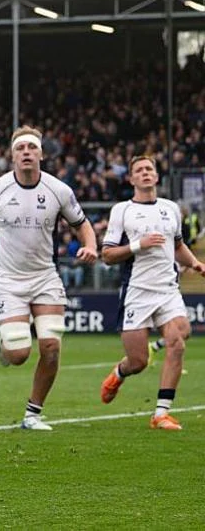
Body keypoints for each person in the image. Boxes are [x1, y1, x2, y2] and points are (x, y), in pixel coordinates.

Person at [0, 126, 98, 431]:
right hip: (9, 279)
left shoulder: (59, 190)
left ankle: (33, 414)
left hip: (45, 277)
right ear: (12, 155)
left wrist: (90, 245)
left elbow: (83, 224)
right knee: (19, 354)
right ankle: (5, 345)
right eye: (20, 148)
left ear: (41, 154)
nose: (26, 153)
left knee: (51, 347)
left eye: (32, 148)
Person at [98, 154, 205, 430]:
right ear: (132, 179)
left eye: (149, 169)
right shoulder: (122, 210)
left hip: (167, 290)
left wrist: (194, 262)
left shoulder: (171, 208)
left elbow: (177, 245)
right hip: (137, 291)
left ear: (157, 176)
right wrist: (138, 245)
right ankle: (119, 373)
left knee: (179, 338)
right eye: (139, 170)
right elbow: (107, 254)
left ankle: (161, 413)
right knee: (139, 361)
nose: (145, 173)